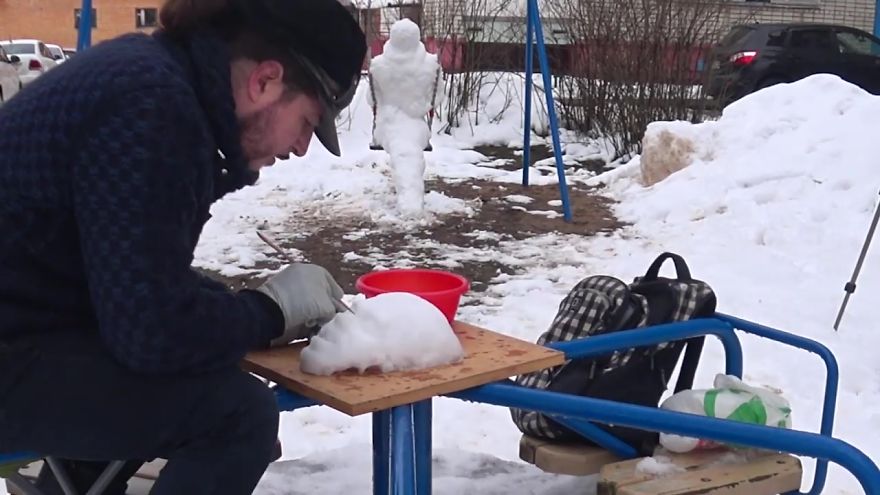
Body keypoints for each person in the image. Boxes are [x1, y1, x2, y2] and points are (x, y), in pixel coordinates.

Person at [0, 0, 366, 493]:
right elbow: (153, 334)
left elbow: (131, 272)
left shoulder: (153, 80)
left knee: (182, 368)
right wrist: (268, 313)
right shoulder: (152, 110)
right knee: (238, 415)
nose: (301, 148)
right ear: (265, 82)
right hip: (16, 348)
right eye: (307, 122)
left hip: (29, 324)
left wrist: (229, 310)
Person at [367, 18, 443, 218]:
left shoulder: (378, 66)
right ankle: (411, 203)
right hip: (416, 126)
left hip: (388, 126)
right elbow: (437, 98)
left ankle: (410, 203)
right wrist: (422, 106)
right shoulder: (430, 65)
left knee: (405, 156)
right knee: (409, 155)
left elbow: (370, 99)